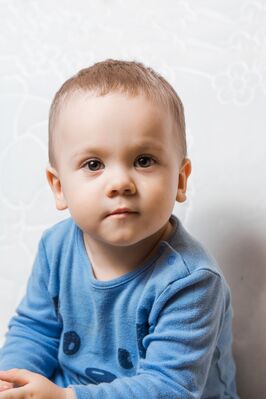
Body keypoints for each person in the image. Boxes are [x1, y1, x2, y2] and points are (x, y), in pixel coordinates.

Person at [0, 59, 239, 398]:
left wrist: (66, 397)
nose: (120, 183)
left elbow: (169, 388)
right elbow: (35, 330)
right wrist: (13, 382)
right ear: (58, 186)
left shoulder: (191, 280)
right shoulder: (56, 247)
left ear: (180, 180)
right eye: (93, 164)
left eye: (144, 160)